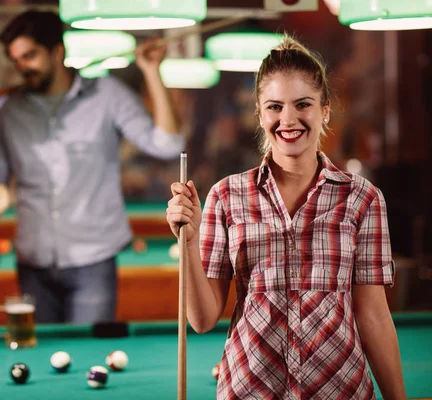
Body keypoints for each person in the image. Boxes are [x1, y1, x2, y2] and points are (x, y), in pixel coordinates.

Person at [166, 37, 407, 399]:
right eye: (275, 107)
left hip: (339, 390)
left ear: (325, 109)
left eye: (303, 105)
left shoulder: (362, 198)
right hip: (250, 390)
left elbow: (372, 315)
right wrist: (187, 239)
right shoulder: (226, 196)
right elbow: (202, 319)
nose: (288, 119)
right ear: (261, 114)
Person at [0, 10, 185, 324]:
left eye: (30, 56)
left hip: (94, 258)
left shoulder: (107, 95)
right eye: (17, 60)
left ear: (57, 52)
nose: (23, 67)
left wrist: (151, 72)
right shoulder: (6, 111)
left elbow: (168, 144)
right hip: (32, 260)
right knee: (41, 363)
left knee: (87, 359)